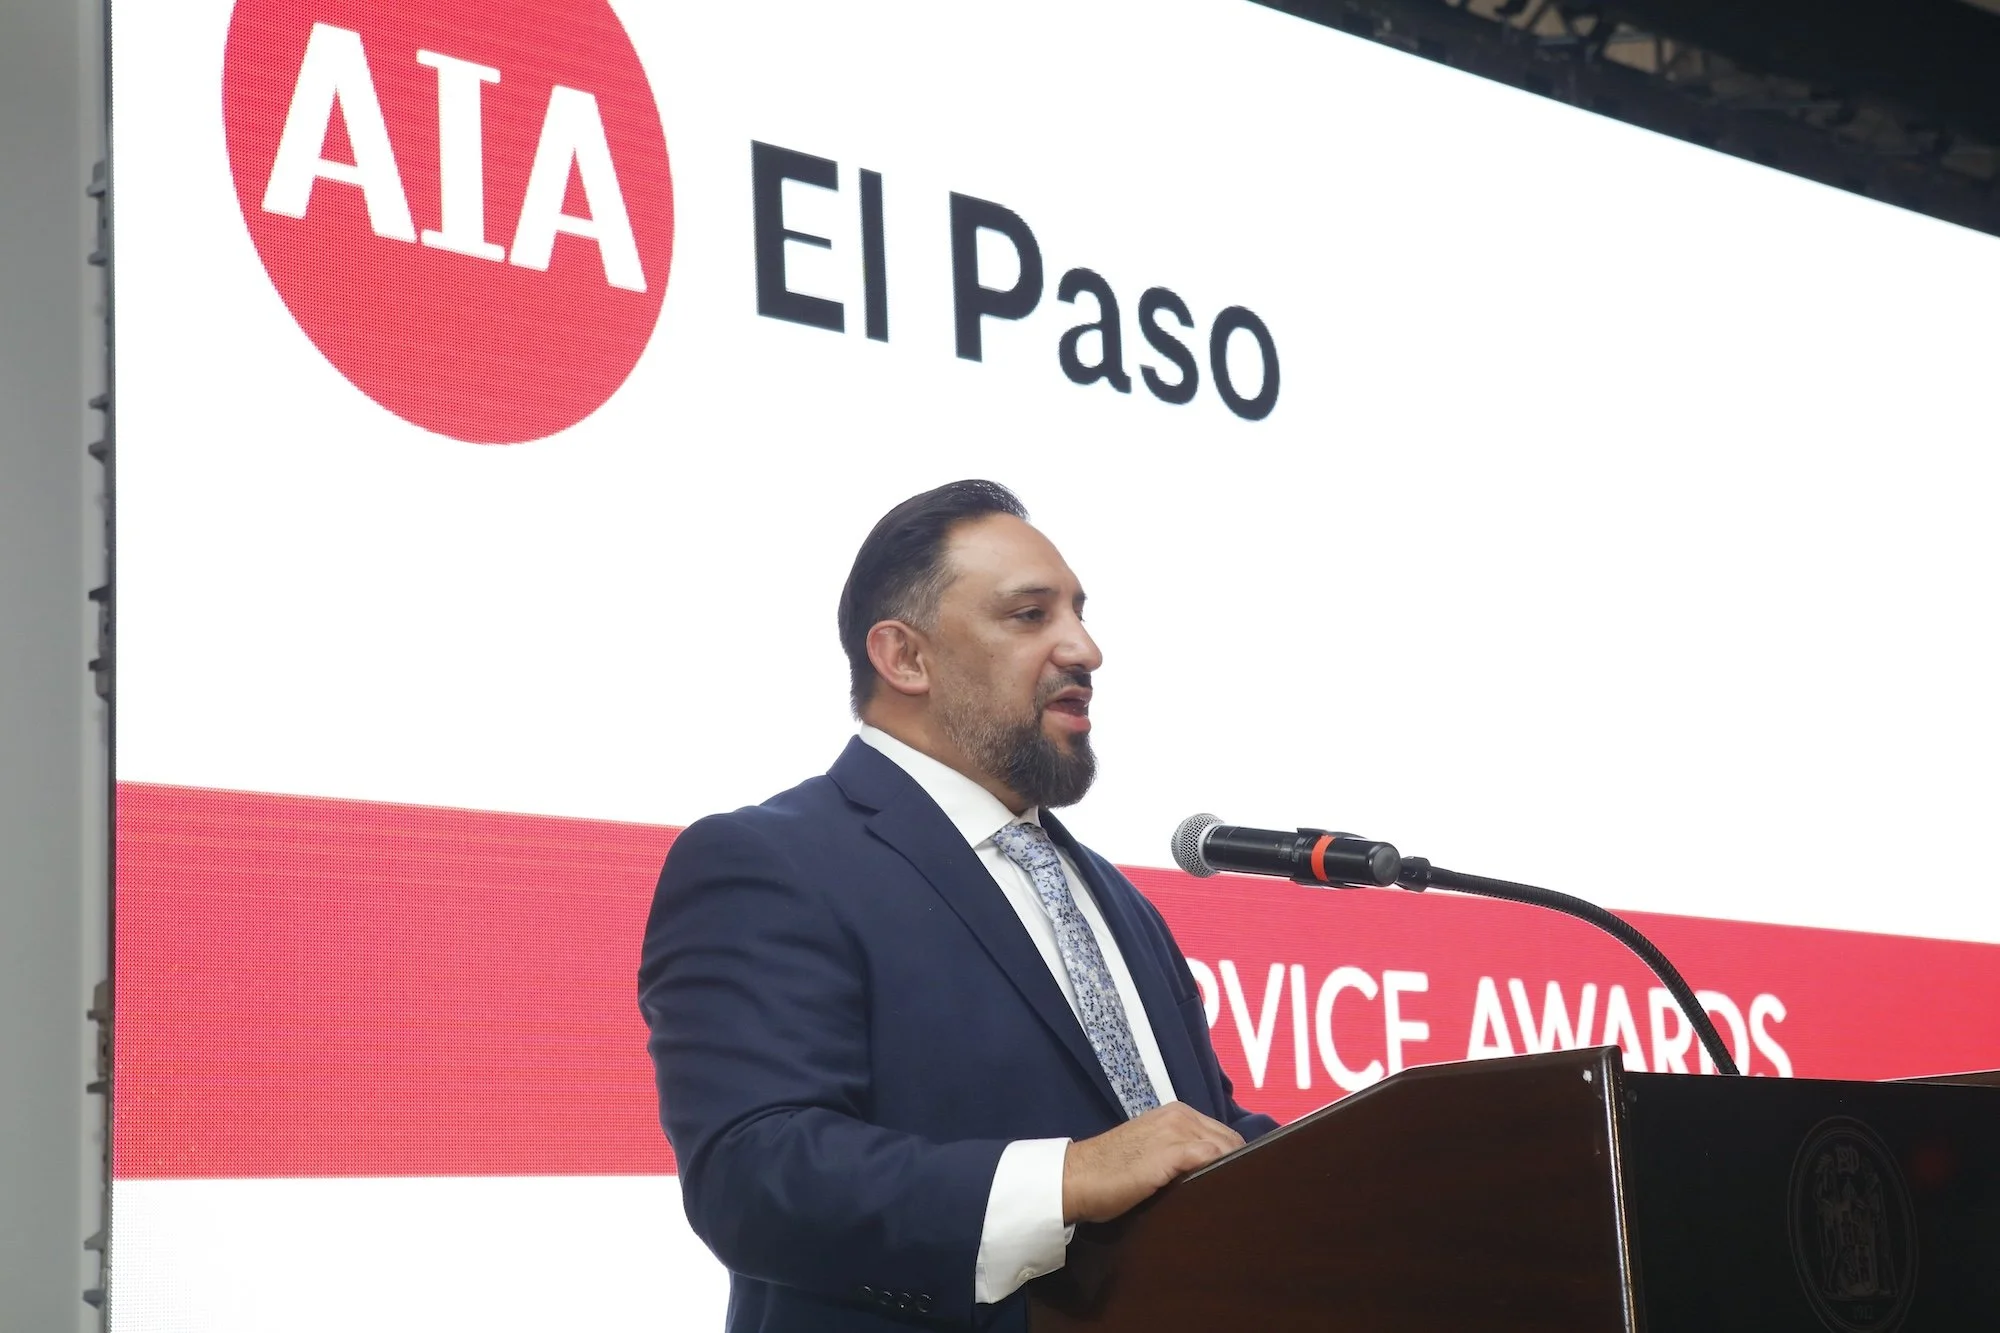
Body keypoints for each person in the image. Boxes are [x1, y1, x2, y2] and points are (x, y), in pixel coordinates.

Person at [638, 480, 1276, 1332]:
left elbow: (1199, 1137)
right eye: (1029, 615)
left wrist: (1369, 1169)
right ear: (904, 658)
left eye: (1079, 613)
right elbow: (755, 1176)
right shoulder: (770, 861)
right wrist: (1067, 1177)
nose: (1085, 648)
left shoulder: (1120, 901)